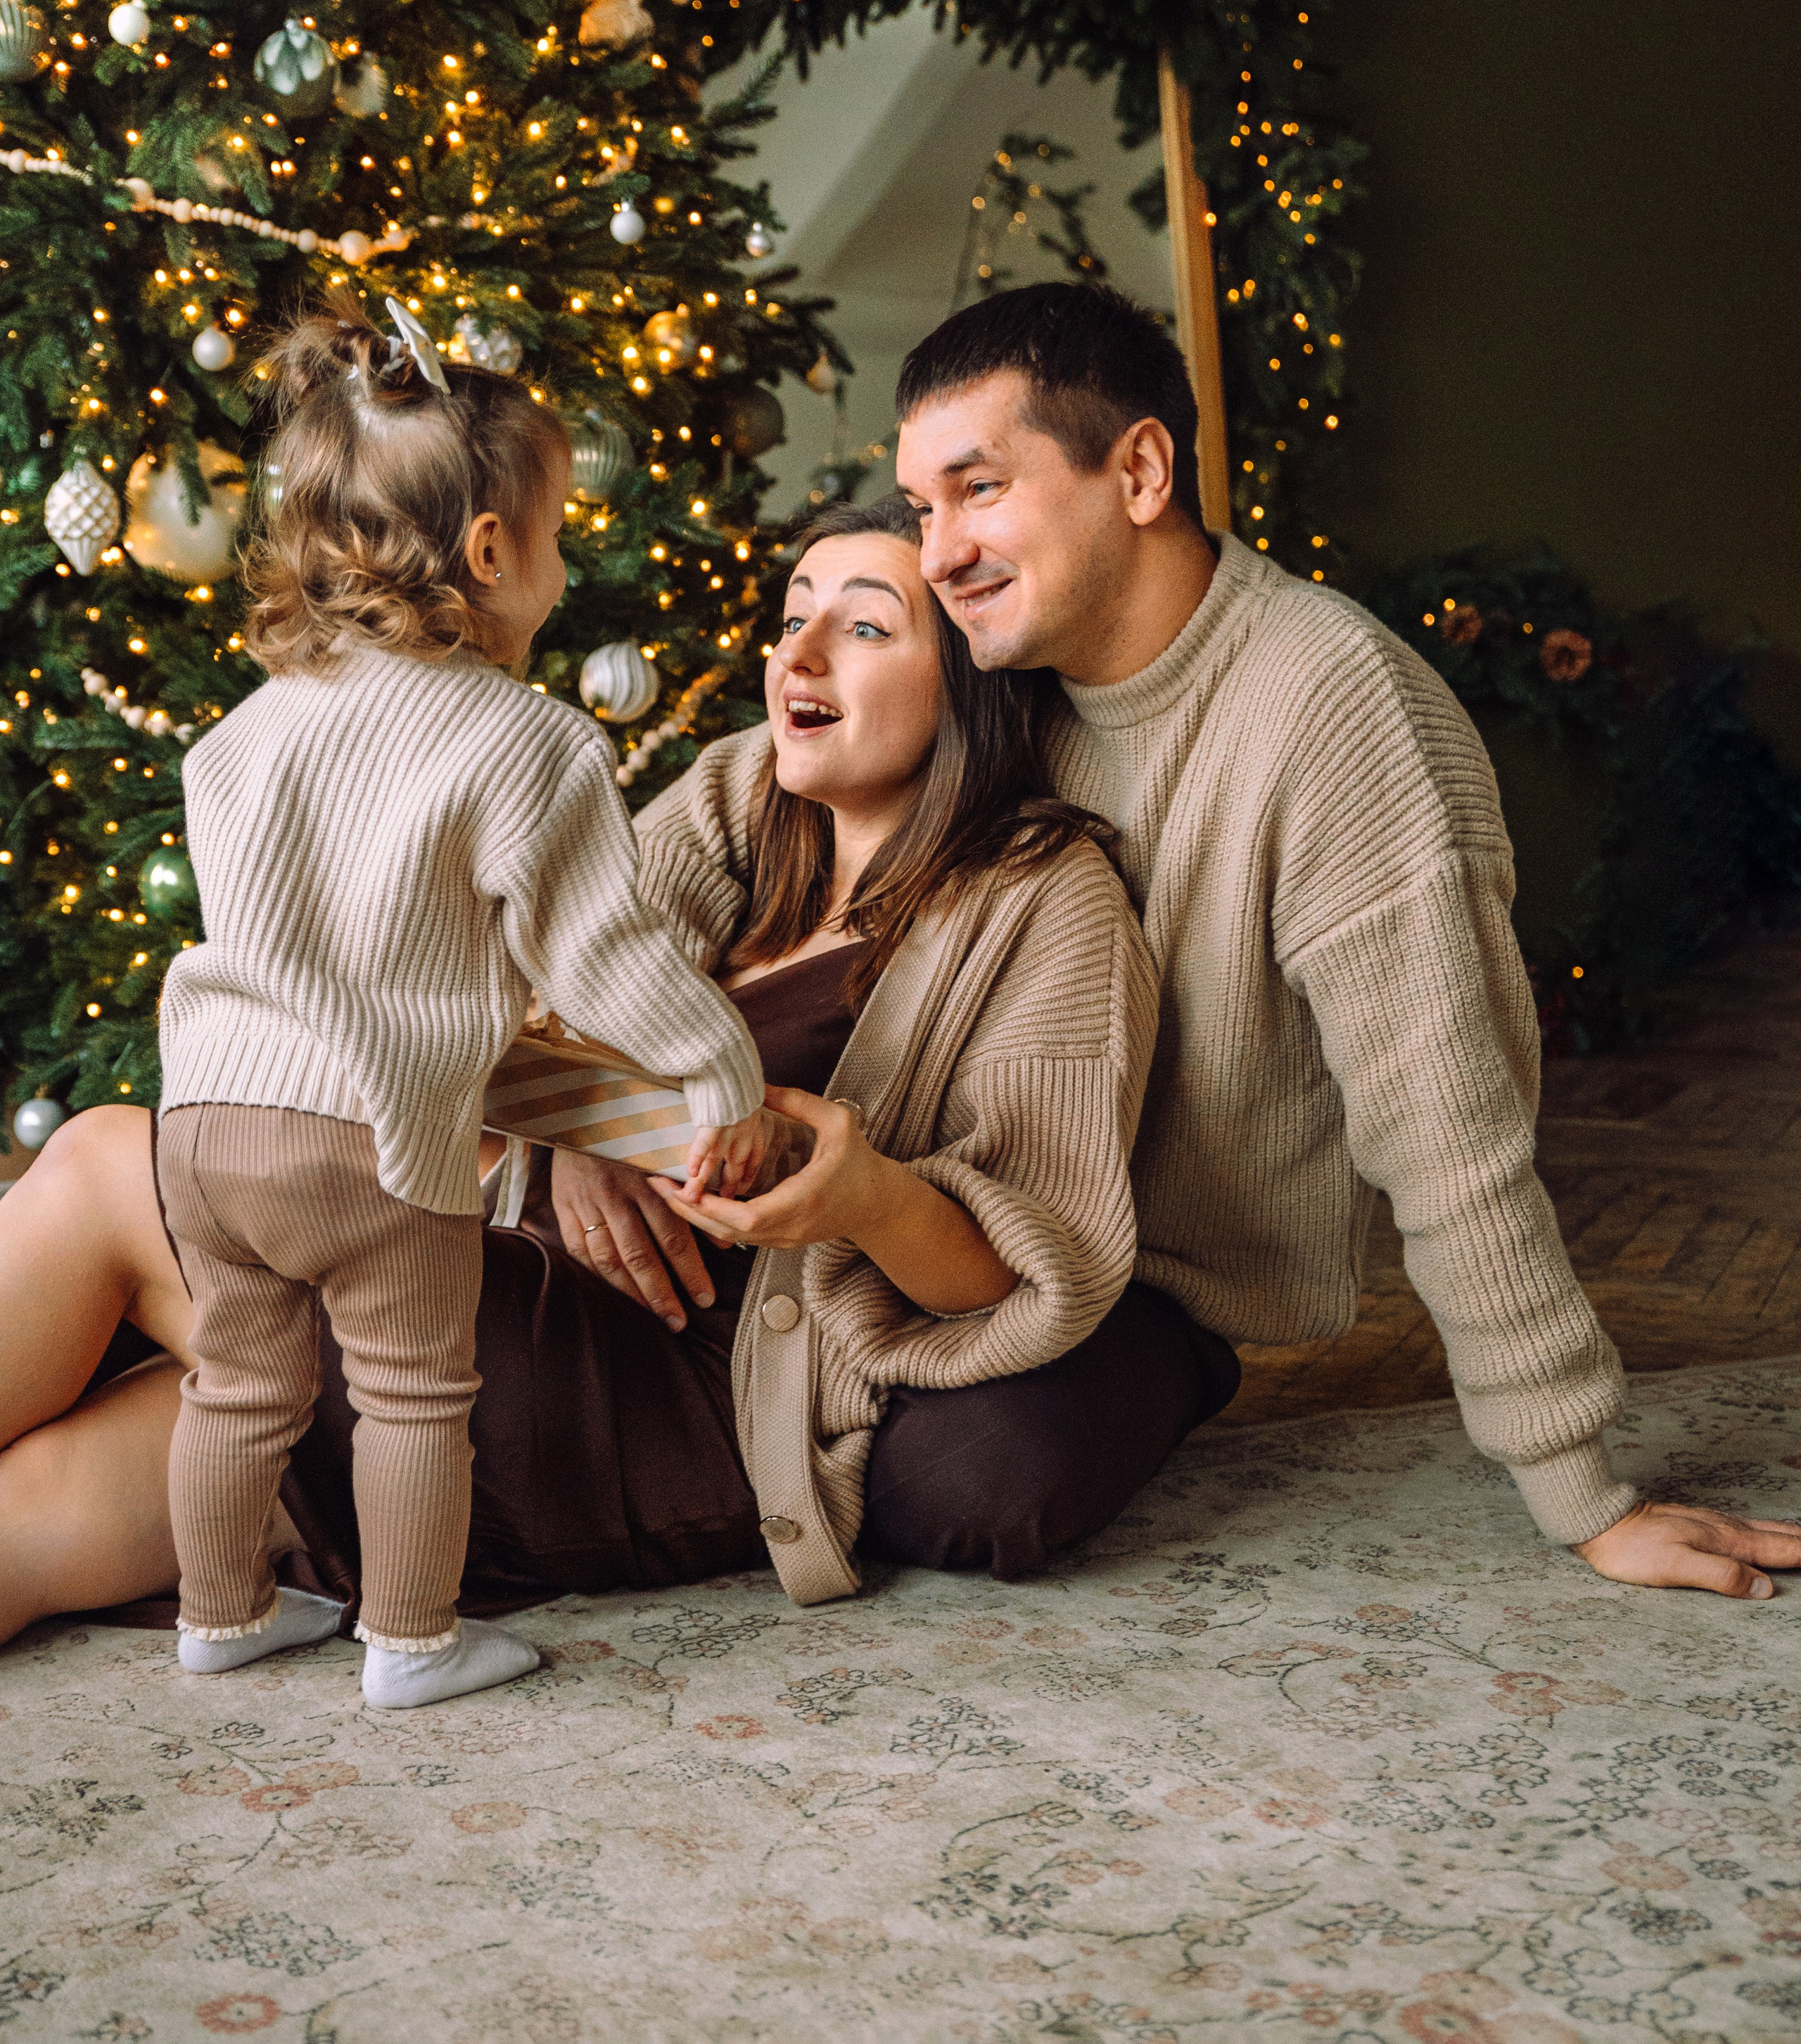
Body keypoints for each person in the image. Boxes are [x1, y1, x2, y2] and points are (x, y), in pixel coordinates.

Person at [0, 495, 1230, 1645]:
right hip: (481, 1283)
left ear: (971, 680)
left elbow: (1033, 1277)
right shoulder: (744, 803)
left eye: (863, 626)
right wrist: (571, 1133)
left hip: (660, 1390)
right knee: (34, 1513)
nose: (797, 656)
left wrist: (866, 1200)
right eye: (793, 614)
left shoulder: (1045, 901)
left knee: (113, 1161)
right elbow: (502, 986)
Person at [879, 278, 1801, 1604]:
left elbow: (1451, 1130)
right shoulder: (982, 687)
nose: (937, 552)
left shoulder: (1338, 716)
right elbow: (743, 814)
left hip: (1149, 1281)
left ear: (1139, 469)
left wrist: (1585, 1495)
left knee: (963, 1483)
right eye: (920, 510)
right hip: (925, 1209)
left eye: (977, 490)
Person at [150, 297, 769, 1706]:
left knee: (236, 1383)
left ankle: (220, 1610)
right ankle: (412, 1640)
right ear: (493, 553)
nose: (562, 559)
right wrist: (711, 1062)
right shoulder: (526, 738)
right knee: (411, 1391)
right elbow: (597, 951)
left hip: (205, 1115)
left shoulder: (242, 731)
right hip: (366, 1132)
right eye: (558, 534)